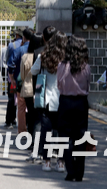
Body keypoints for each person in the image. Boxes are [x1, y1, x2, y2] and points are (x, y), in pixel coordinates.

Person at [57, 36, 91, 182]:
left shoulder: (62, 66)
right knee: (81, 138)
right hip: (81, 103)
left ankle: (70, 171)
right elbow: (88, 84)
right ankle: (79, 172)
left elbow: (59, 84)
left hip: (65, 101)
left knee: (65, 138)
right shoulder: (86, 66)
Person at [31, 29, 66, 172]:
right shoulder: (67, 58)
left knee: (46, 132)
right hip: (63, 99)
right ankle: (61, 162)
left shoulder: (43, 56)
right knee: (62, 132)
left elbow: (33, 71)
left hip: (47, 99)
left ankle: (46, 161)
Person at [19, 33, 42, 140]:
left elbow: (22, 75)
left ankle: (31, 139)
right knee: (39, 116)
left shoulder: (25, 57)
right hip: (40, 88)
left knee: (31, 115)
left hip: (28, 88)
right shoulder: (42, 55)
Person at [4, 29, 22, 129]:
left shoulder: (12, 45)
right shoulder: (29, 45)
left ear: (17, 35)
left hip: (12, 77)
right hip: (24, 77)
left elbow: (7, 60)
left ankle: (10, 120)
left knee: (11, 99)